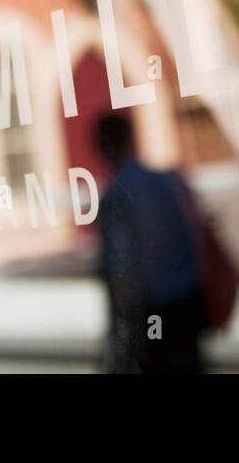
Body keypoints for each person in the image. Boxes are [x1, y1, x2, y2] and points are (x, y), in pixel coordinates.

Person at [96, 111, 208, 373]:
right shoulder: (165, 181)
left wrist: (117, 330)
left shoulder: (118, 196)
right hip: (187, 302)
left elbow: (119, 270)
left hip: (154, 311)